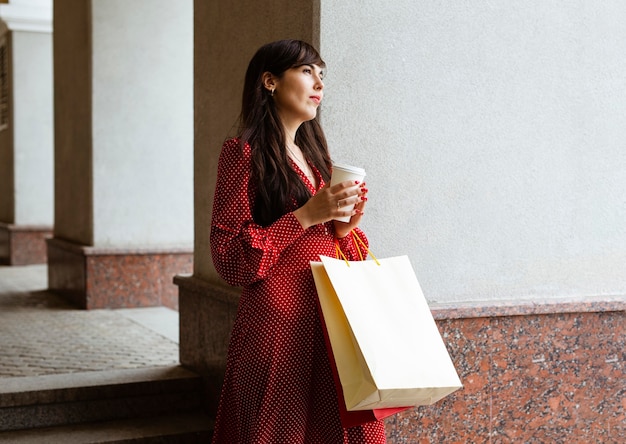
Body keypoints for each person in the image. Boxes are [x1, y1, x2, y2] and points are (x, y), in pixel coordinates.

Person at [210, 39, 386, 443]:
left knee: (349, 428)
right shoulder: (242, 153)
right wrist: (307, 215)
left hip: (331, 313)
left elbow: (328, 240)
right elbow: (229, 258)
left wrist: (342, 226)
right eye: (307, 71)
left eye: (321, 74)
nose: (318, 83)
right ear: (270, 81)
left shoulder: (316, 156)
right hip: (278, 316)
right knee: (279, 430)